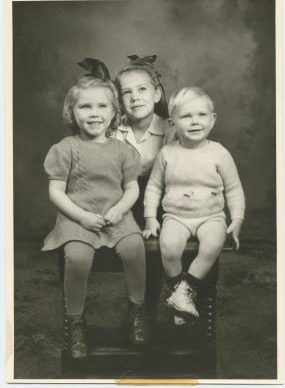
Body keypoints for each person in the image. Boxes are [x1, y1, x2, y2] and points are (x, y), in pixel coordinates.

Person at [42, 67, 150, 360]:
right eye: (85, 106)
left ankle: (136, 311)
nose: (94, 113)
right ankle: (75, 321)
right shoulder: (66, 149)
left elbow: (131, 190)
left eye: (102, 106)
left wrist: (118, 210)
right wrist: (82, 217)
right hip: (78, 218)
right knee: (77, 258)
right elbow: (56, 192)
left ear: (114, 112)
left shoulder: (123, 151)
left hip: (115, 216)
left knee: (135, 247)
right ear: (72, 111)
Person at [143, 86, 245, 323]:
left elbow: (234, 189)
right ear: (172, 123)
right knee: (168, 247)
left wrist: (237, 219)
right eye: (186, 116)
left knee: (212, 244)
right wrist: (150, 217)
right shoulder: (167, 153)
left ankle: (184, 291)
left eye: (201, 115)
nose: (194, 122)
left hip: (211, 216)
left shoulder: (219, 153)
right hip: (176, 217)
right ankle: (180, 295)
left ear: (212, 119)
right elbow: (154, 187)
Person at [113, 54, 175, 228]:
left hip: (162, 196)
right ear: (119, 101)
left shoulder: (170, 130)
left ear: (156, 94)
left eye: (142, 89)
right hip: (124, 195)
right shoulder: (114, 132)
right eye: (127, 92)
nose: (135, 97)